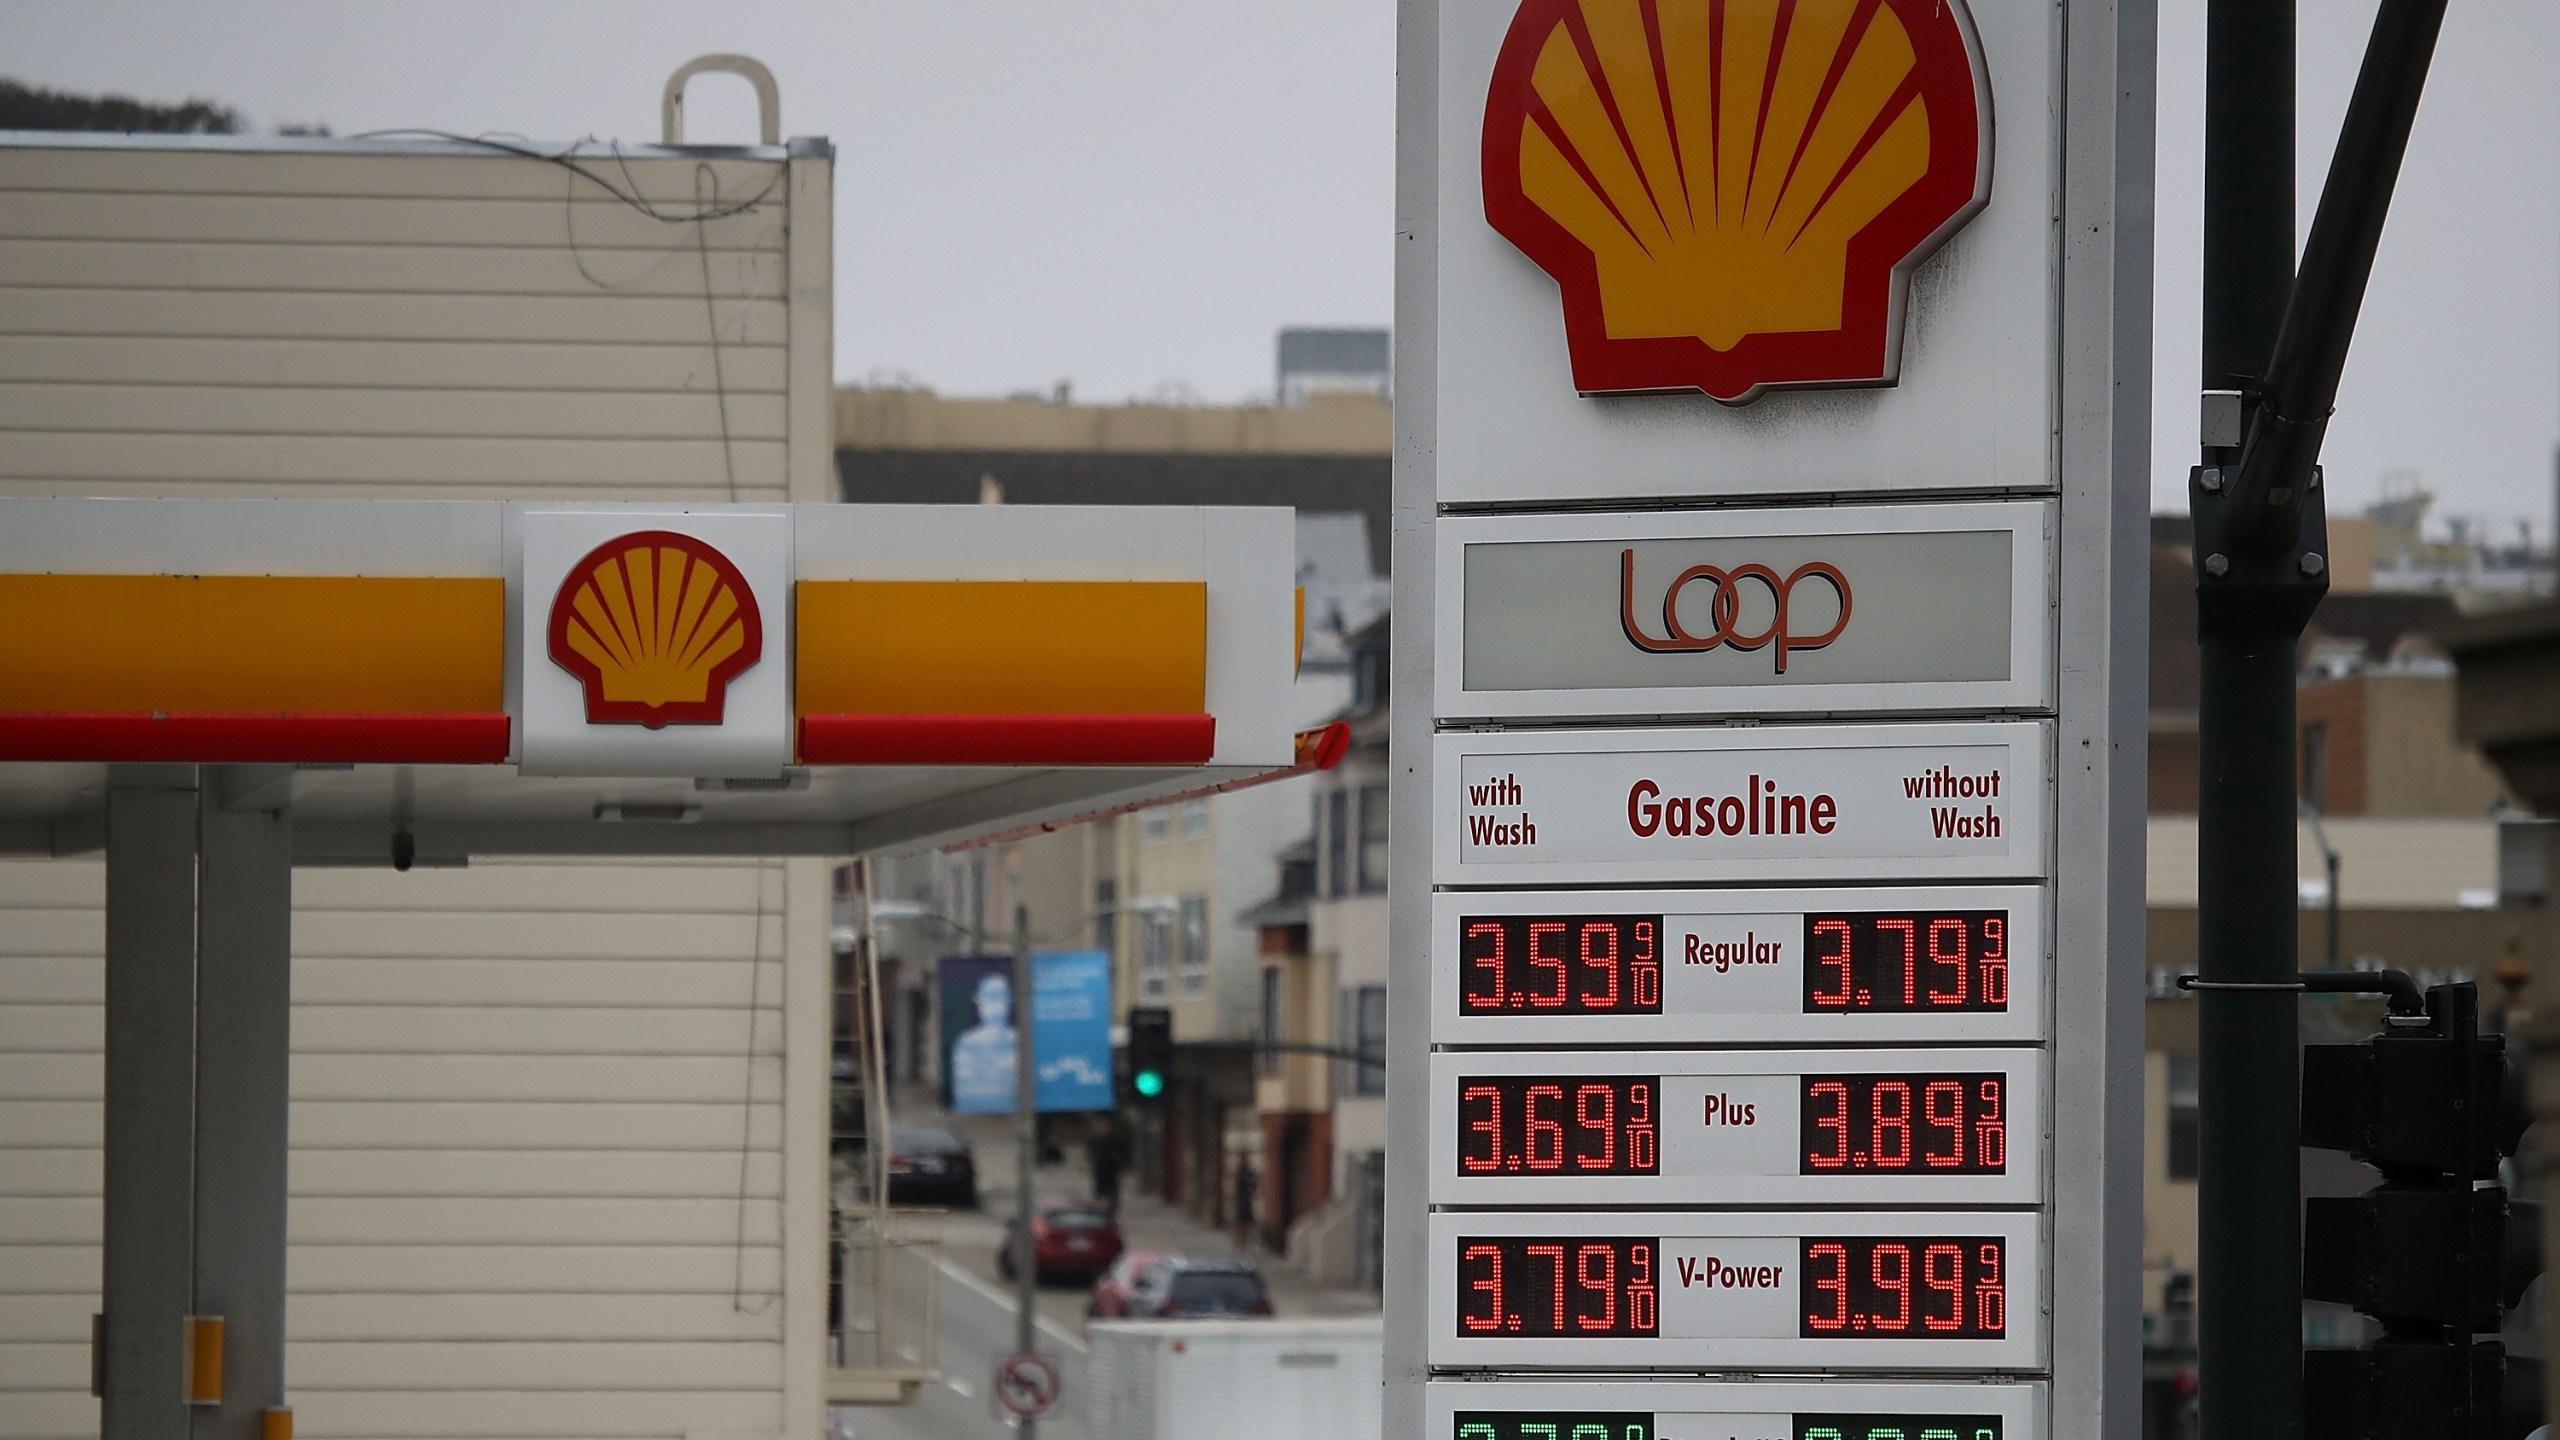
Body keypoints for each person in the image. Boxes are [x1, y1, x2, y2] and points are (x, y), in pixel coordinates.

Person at [947, 971, 1016, 1113]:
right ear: (979, 1000)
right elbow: (963, 1090)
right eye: (989, 997)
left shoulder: (1020, 1041)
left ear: (1009, 1000)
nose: (994, 1005)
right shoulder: (966, 1043)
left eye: (999, 997)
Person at [1089, 1125, 1125, 1217]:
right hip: (1101, 1169)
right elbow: (1092, 1154)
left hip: (1111, 1169)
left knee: (1111, 1190)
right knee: (1100, 1190)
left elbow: (1120, 1153)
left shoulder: (1113, 1141)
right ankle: (1098, 1209)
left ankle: (1111, 1209)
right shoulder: (1096, 1141)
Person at [1232, 1156, 1259, 1251]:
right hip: (1241, 1199)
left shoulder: (1248, 1171)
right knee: (1240, 1221)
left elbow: (1254, 1182)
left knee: (1247, 1222)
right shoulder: (1240, 1171)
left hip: (1247, 1200)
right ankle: (1239, 1242)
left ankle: (1245, 1242)